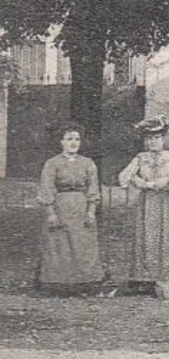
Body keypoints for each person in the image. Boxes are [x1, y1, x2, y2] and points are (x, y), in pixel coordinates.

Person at [118, 117, 169, 296]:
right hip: (148, 203)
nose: (152, 142)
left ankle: (168, 277)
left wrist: (166, 180)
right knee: (148, 237)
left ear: (163, 139)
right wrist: (138, 180)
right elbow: (123, 177)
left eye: (156, 138)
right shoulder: (140, 158)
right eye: (149, 138)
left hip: (168, 202)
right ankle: (146, 279)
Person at [37, 124, 106, 294]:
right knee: (59, 244)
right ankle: (58, 283)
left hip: (81, 207)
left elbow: (93, 188)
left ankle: (85, 282)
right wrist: (51, 212)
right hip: (61, 206)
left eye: (77, 139)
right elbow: (46, 188)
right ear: (61, 142)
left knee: (83, 243)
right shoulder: (52, 163)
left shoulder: (88, 163)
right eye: (69, 139)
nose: (73, 143)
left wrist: (91, 211)